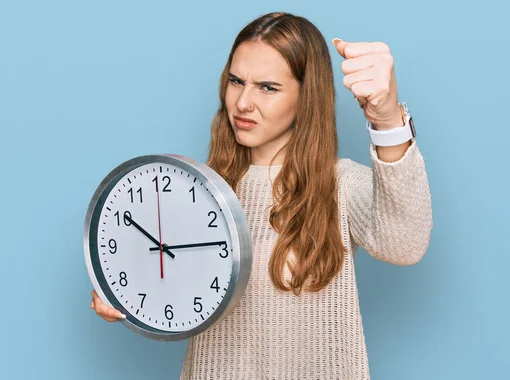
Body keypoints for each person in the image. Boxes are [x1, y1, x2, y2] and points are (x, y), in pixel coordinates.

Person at [91, 11, 433, 379]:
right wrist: (117, 290)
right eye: (236, 81)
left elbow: (405, 244)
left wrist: (387, 120)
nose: (242, 103)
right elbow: (163, 273)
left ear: (307, 97)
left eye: (267, 87)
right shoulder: (199, 190)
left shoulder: (340, 185)